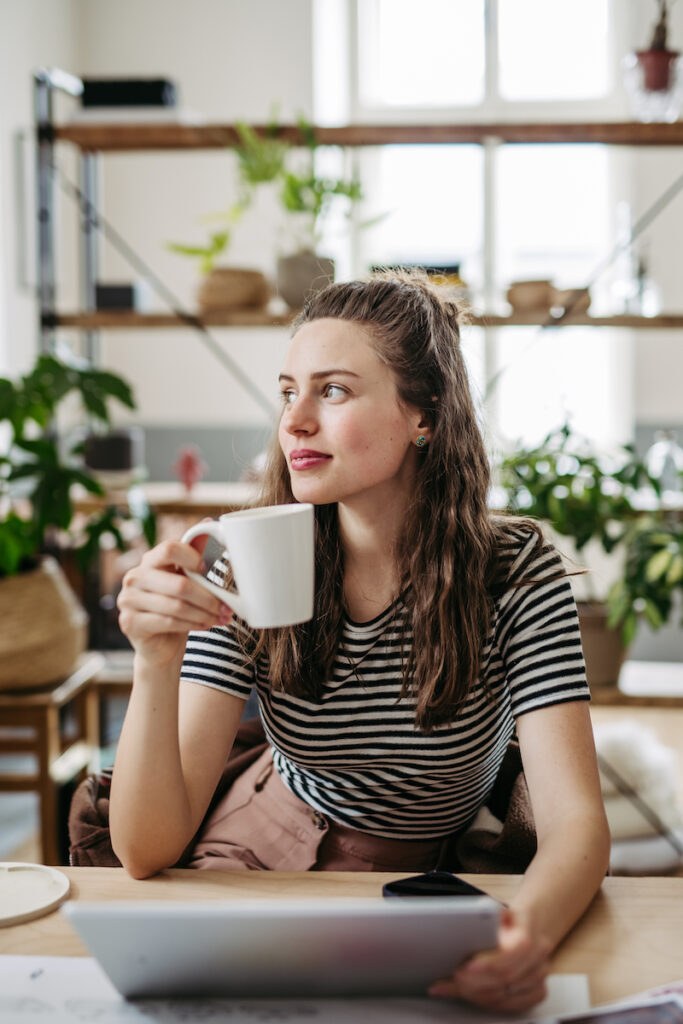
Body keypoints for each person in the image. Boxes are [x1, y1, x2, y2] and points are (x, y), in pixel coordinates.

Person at [111, 269, 610, 1013]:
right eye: (287, 392)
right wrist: (154, 662)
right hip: (260, 844)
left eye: (332, 390)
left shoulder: (512, 571)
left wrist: (522, 937)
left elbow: (575, 827)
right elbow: (147, 848)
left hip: (429, 874)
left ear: (424, 416)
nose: (294, 422)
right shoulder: (242, 558)